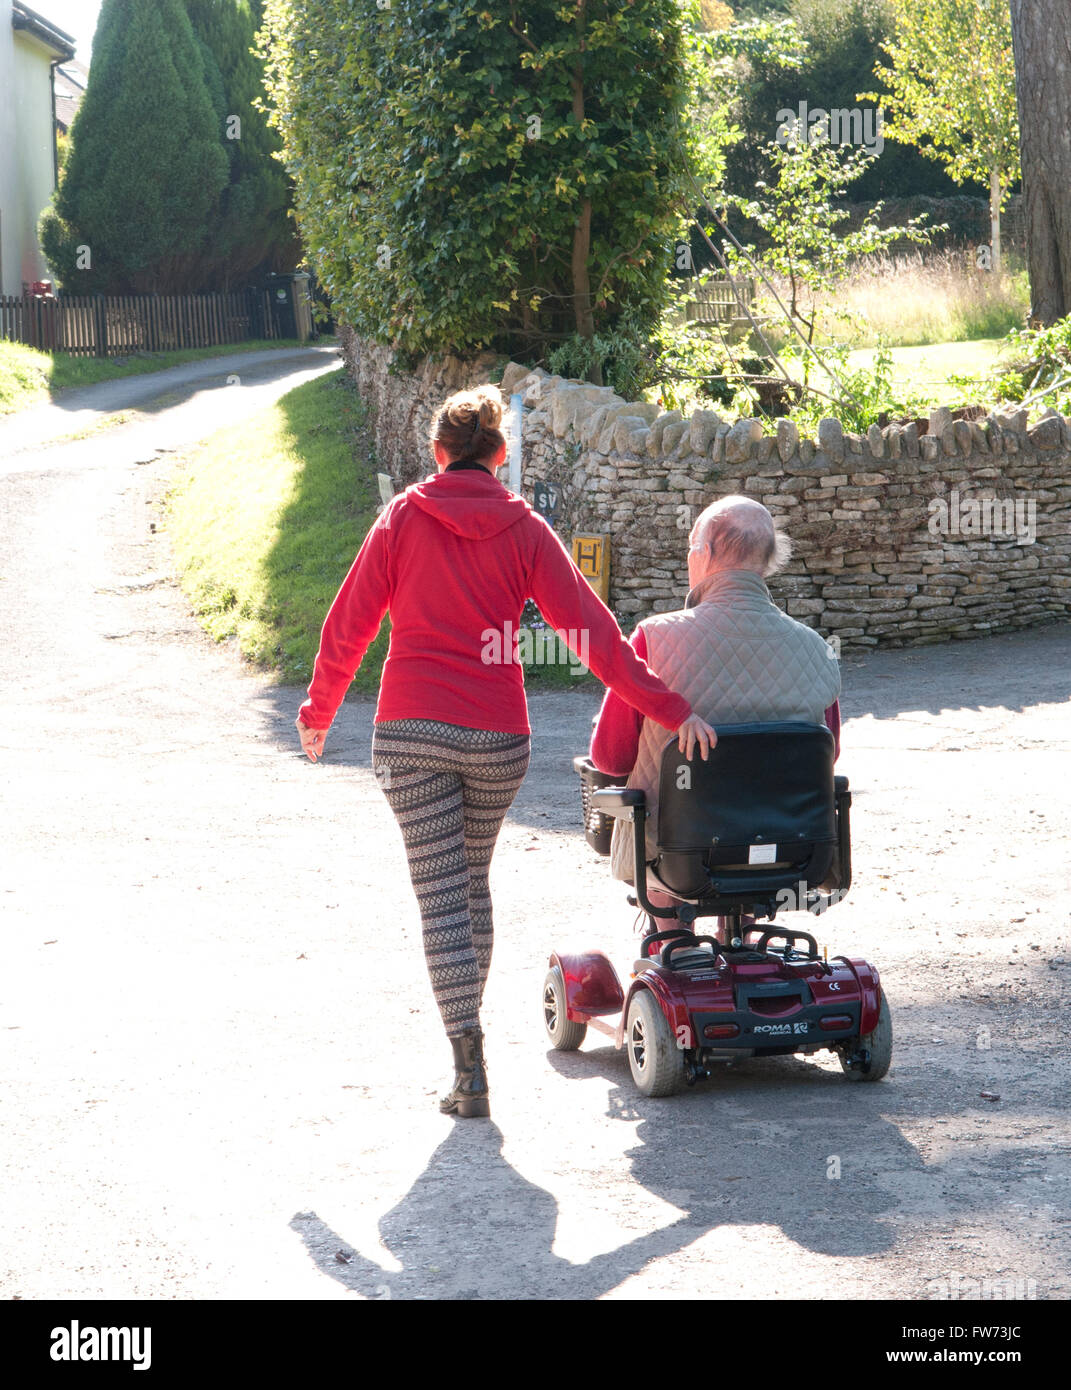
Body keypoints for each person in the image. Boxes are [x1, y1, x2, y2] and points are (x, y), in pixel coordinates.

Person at [296, 384, 717, 1117]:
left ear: (436, 453)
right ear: (499, 455)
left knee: (439, 898)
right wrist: (669, 708)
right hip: (498, 738)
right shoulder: (524, 528)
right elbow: (592, 634)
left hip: (410, 734)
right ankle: (469, 1052)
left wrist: (318, 710)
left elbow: (349, 622)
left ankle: (467, 1064)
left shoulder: (400, 518)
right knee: (471, 883)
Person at [589, 495, 842, 946]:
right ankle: (746, 933)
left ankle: (671, 939)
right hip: (792, 852)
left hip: (678, 857)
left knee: (647, 809)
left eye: (690, 546)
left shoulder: (654, 637)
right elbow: (828, 752)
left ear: (704, 553)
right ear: (766, 561)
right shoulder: (817, 647)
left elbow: (609, 755)